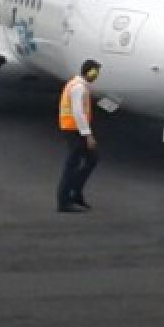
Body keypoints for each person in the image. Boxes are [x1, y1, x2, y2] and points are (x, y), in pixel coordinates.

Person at [56, 59, 101, 213]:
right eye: (95, 72)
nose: (97, 76)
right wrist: (88, 135)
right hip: (73, 129)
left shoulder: (78, 85)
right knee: (72, 165)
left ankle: (75, 192)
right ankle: (63, 201)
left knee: (92, 159)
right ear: (90, 72)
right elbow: (78, 113)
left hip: (76, 129)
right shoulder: (78, 88)